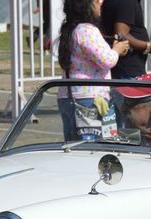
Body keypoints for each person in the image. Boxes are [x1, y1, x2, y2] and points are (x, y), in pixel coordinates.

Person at [57, 0, 130, 141]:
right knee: (91, 149)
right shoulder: (86, 30)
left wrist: (114, 49)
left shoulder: (72, 29)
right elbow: (107, 60)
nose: (101, 2)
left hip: (71, 96)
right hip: (88, 100)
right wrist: (117, 49)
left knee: (74, 145)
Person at [101, 0, 151, 79]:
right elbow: (121, 34)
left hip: (121, 68)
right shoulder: (127, 2)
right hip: (127, 69)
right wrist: (148, 46)